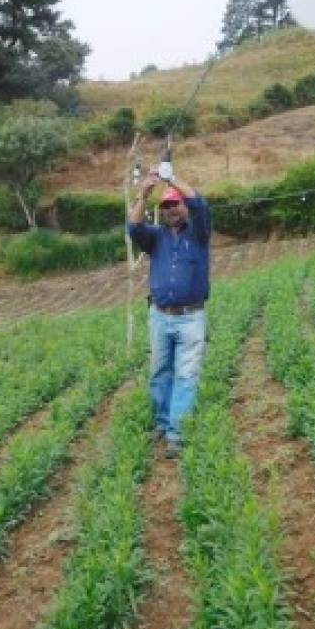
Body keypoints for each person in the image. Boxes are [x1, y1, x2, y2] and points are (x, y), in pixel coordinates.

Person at [127, 168, 211, 458]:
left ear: (183, 207)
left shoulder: (199, 233)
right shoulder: (155, 237)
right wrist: (144, 194)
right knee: (159, 372)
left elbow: (199, 202)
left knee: (186, 375)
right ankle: (162, 424)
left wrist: (169, 177)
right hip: (160, 316)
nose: (171, 210)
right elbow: (133, 227)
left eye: (175, 204)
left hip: (190, 317)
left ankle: (177, 432)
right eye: (166, 206)